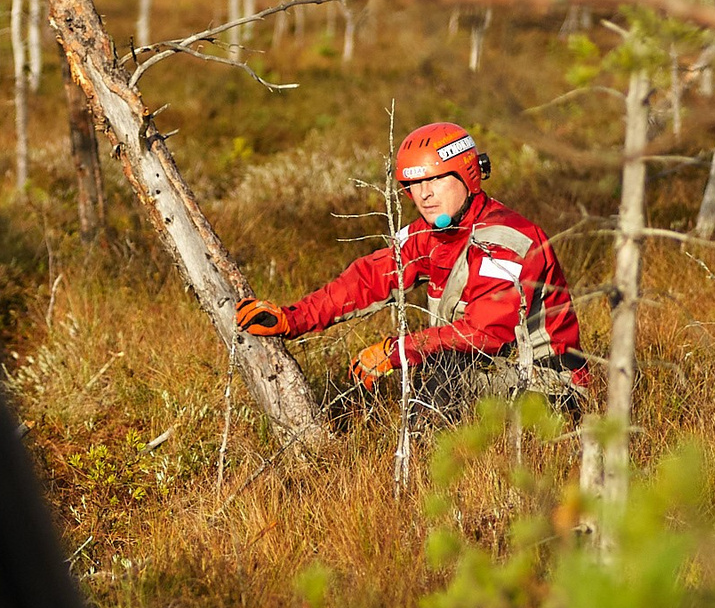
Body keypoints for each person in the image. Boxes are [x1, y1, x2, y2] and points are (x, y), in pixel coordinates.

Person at [234, 121, 591, 412]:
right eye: (414, 184)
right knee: (442, 368)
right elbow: (367, 279)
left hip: (552, 388)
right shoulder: (429, 235)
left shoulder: (506, 240)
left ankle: (435, 488)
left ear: (468, 175)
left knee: (442, 373)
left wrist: (397, 351)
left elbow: (485, 334)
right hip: (495, 373)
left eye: (435, 179)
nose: (424, 195)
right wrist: (292, 318)